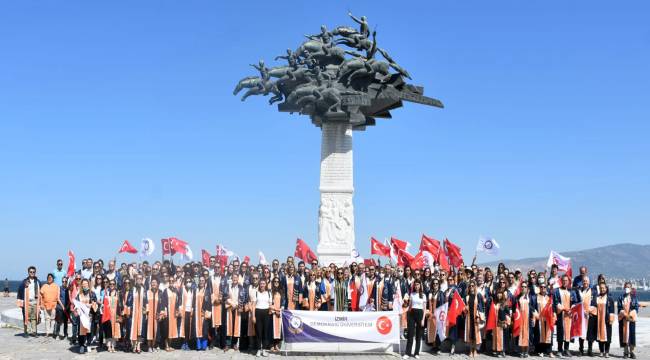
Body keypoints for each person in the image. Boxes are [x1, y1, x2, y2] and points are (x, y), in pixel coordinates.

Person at [553, 274, 580, 357]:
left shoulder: (571, 291)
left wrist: (571, 309)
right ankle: (559, 350)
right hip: (561, 314)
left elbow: (575, 302)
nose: (565, 282)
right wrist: (564, 309)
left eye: (566, 280)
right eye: (563, 280)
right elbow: (556, 302)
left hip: (569, 315)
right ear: (561, 281)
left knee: (568, 332)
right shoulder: (557, 291)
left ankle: (566, 349)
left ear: (568, 282)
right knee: (560, 332)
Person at [591, 282, 615, 357]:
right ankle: (601, 351)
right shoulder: (597, 298)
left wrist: (611, 319)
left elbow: (612, 309)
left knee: (607, 335)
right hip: (598, 319)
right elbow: (594, 307)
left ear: (606, 288)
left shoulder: (609, 298)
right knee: (599, 335)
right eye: (601, 288)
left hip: (606, 319)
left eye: (603, 288)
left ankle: (607, 351)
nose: (602, 289)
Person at [403, 279, 425, 359]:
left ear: (420, 285)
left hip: (420, 314)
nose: (416, 286)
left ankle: (416, 353)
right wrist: (406, 313)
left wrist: (423, 319)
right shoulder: (412, 294)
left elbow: (424, 309)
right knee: (410, 334)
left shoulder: (423, 295)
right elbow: (410, 306)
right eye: (415, 285)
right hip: (412, 314)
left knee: (418, 335)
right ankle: (407, 353)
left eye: (418, 284)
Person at [17, 266, 41, 337]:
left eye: (33, 272)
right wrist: (20, 302)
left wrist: (40, 303)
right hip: (27, 302)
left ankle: (34, 332)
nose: (32, 273)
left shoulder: (38, 281)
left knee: (34, 317)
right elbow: (20, 290)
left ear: (35, 272)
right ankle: (26, 332)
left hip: (35, 301)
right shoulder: (24, 281)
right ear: (28, 272)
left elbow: (41, 292)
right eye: (31, 272)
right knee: (26, 317)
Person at [75, 278, 98, 354]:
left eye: (86, 284)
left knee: (89, 331)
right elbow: (76, 303)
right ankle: (81, 345)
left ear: (88, 284)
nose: (85, 285)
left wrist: (90, 305)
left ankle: (88, 344)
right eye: (83, 284)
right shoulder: (79, 294)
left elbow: (95, 303)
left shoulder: (92, 294)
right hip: (81, 316)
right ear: (81, 285)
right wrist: (77, 308)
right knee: (81, 332)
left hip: (89, 315)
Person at [533, 280, 554, 357]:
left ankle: (549, 351)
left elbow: (552, 307)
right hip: (540, 319)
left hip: (548, 319)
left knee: (549, 335)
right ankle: (541, 351)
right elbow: (533, 306)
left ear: (546, 288)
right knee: (541, 335)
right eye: (541, 287)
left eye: (544, 287)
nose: (543, 288)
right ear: (539, 288)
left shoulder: (549, 298)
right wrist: (535, 313)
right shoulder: (536, 297)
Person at [617, 281, 638, 359]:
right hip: (623, 319)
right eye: (626, 287)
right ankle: (625, 352)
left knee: (632, 335)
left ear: (631, 288)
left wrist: (630, 315)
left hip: (631, 320)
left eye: (628, 287)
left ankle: (632, 352)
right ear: (624, 288)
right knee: (624, 335)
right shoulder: (620, 298)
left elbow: (636, 308)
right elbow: (619, 308)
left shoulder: (634, 298)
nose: (627, 288)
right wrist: (625, 315)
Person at [464, 280, 485, 358]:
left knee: (475, 334)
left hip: (476, 317)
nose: (471, 287)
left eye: (473, 286)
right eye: (470, 286)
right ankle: (470, 350)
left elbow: (482, 307)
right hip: (469, 318)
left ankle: (475, 350)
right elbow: (463, 307)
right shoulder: (466, 296)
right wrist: (465, 308)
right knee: (470, 333)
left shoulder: (478, 295)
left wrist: (480, 316)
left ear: (475, 287)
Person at [514, 281, 535, 358]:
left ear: (527, 288)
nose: (523, 288)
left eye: (525, 286)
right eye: (522, 286)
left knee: (528, 334)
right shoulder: (517, 297)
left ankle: (527, 351)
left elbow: (533, 307)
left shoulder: (531, 297)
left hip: (528, 319)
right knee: (521, 335)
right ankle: (522, 351)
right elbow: (515, 308)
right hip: (520, 319)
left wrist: (533, 316)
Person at [126, 273, 146, 353]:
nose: (139, 280)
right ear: (135, 279)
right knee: (133, 329)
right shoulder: (132, 289)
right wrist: (128, 312)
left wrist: (146, 311)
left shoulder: (144, 290)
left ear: (142, 280)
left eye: (140, 278)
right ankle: (133, 345)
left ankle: (138, 346)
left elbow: (146, 302)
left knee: (140, 329)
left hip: (141, 313)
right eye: (138, 278)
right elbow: (128, 302)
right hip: (133, 313)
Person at [251, 278, 271, 357]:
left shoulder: (269, 293)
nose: (262, 285)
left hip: (266, 313)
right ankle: (259, 349)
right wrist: (253, 316)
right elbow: (253, 305)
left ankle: (264, 350)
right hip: (258, 313)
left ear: (265, 285)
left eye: (263, 283)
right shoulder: (256, 293)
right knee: (258, 332)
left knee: (265, 332)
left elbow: (270, 304)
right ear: (259, 285)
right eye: (261, 283)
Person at [426, 278, 445, 354]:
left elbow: (442, 304)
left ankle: (438, 347)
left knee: (438, 331)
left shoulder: (441, 293)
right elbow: (427, 303)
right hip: (430, 314)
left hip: (438, 314)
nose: (435, 285)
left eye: (436, 283)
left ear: (439, 284)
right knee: (432, 330)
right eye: (434, 283)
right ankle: (433, 346)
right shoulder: (429, 293)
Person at [145, 278, 163, 352]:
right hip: (149, 314)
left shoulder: (160, 292)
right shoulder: (147, 292)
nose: (153, 284)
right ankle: (149, 346)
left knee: (156, 330)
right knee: (149, 330)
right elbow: (145, 303)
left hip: (157, 314)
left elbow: (162, 304)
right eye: (152, 282)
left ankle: (154, 345)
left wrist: (161, 314)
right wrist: (146, 313)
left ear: (157, 284)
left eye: (155, 282)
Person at [102, 279, 121, 353]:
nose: (112, 285)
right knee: (108, 331)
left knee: (114, 331)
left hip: (115, 314)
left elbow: (120, 305)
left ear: (115, 285)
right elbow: (104, 304)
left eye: (113, 284)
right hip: (108, 315)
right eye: (111, 284)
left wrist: (119, 315)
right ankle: (109, 346)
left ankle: (113, 346)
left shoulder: (117, 293)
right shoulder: (107, 293)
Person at [39, 273, 60, 338]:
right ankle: (47, 332)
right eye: (48, 278)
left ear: (53, 279)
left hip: (54, 305)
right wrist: (41, 304)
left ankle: (53, 331)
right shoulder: (44, 286)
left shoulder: (56, 286)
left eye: (51, 278)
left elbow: (58, 296)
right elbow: (40, 296)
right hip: (45, 305)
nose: (49, 279)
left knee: (53, 319)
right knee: (47, 319)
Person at [270, 276, 284, 352]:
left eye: (277, 281)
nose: (276, 283)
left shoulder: (281, 291)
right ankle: (272, 345)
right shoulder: (270, 291)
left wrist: (280, 309)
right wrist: (274, 310)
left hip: (279, 313)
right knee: (272, 329)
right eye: (275, 281)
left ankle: (277, 345)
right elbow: (269, 302)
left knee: (279, 329)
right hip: (272, 313)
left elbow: (283, 302)